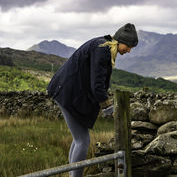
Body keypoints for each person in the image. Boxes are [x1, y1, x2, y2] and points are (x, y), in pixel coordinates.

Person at [47, 23, 138, 177]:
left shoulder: (102, 46)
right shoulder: (102, 49)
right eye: (128, 46)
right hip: (66, 93)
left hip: (67, 92)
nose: (129, 50)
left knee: (78, 139)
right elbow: (97, 85)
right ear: (120, 41)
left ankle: (72, 175)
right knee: (82, 140)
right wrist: (108, 107)